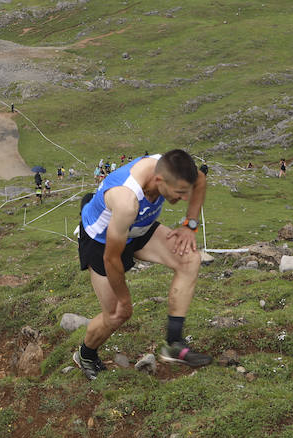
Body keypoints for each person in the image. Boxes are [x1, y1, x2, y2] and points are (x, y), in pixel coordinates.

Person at [73, 150, 209, 379]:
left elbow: (201, 180)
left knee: (189, 259)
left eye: (186, 192)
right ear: (159, 181)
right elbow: (111, 258)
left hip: (139, 229)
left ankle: (173, 343)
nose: (184, 198)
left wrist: (190, 225)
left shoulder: (172, 168)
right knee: (117, 313)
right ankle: (86, 354)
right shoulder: (126, 199)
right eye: (179, 193)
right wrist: (125, 300)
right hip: (102, 241)